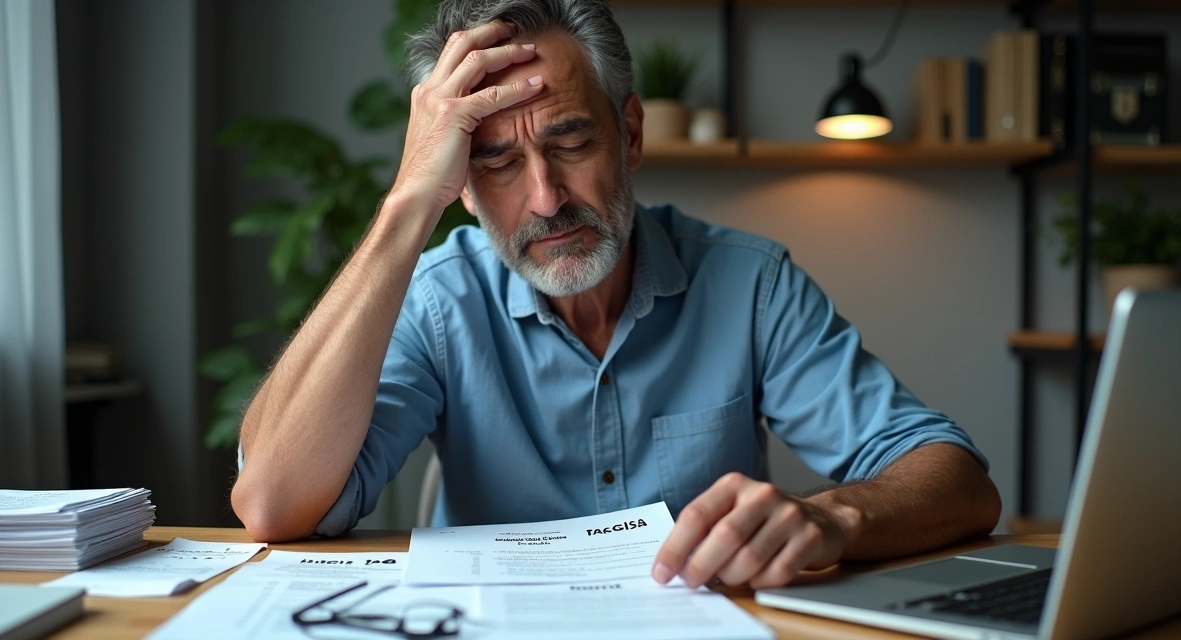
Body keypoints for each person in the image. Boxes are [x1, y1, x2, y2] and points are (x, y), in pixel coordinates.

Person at [231, 0, 1001, 591]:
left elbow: (959, 482)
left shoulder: (750, 283)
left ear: (629, 134)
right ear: (459, 183)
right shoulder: (441, 302)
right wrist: (406, 204)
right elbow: (271, 504)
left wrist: (828, 515)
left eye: (570, 143)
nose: (544, 199)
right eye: (496, 164)